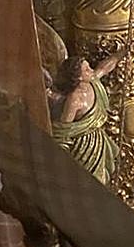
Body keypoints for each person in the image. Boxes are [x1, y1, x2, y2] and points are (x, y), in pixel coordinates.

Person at [48, 52, 122, 185]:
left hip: (98, 142)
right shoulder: (74, 100)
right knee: (90, 181)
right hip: (83, 147)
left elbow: (104, 68)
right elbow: (64, 130)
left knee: (103, 179)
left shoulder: (93, 83)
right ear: (78, 77)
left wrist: (122, 53)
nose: (91, 70)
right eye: (87, 69)